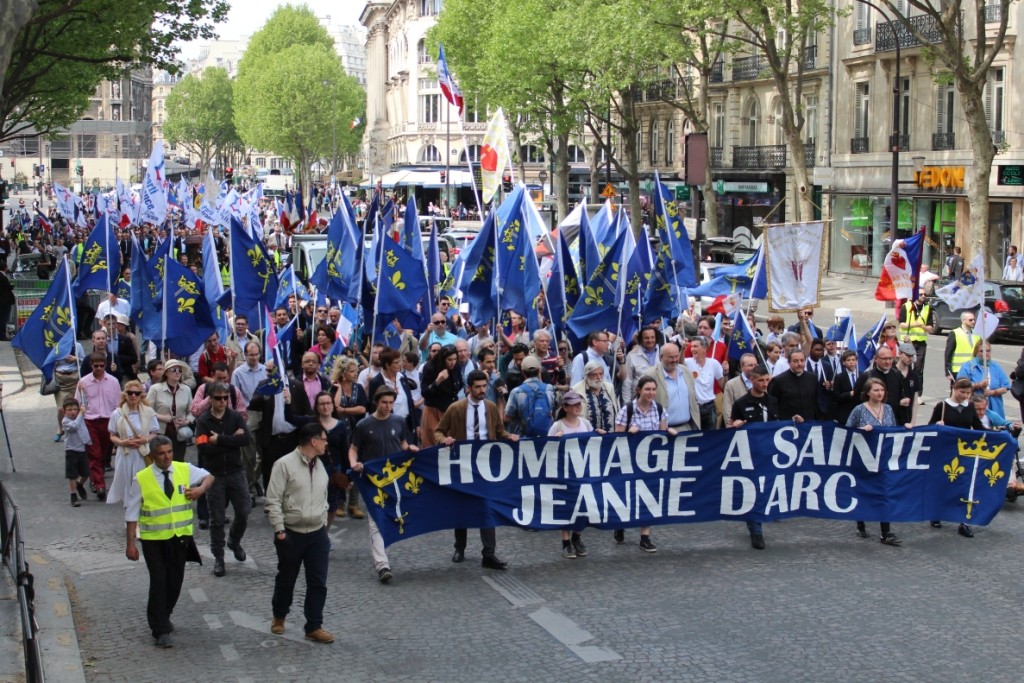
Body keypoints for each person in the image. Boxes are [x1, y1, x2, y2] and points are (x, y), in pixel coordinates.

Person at [124, 436, 213, 648]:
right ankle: (160, 629)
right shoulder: (142, 479)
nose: (167, 457)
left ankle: (164, 614)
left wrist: (201, 489)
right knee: (159, 581)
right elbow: (131, 513)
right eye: (162, 453)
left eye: (169, 452)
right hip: (153, 540)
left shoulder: (183, 469)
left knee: (175, 581)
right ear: (154, 455)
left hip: (179, 537)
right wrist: (130, 544)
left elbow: (209, 477)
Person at [435, 371, 519, 569]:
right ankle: (460, 547)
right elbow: (438, 430)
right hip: (462, 465)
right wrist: (443, 440)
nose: (482, 390)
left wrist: (508, 437)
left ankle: (488, 553)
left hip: (485, 465)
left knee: (487, 507)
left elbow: (499, 431)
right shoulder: (456, 408)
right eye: (478, 387)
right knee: (461, 506)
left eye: (484, 386)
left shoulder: (490, 408)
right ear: (469, 388)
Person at [266, 422, 335, 644]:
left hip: (317, 534)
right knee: (287, 579)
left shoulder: (321, 465)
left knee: (318, 582)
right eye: (324, 439)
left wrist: (323, 523)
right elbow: (273, 500)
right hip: (291, 533)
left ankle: (314, 625)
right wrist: (279, 531)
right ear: (313, 441)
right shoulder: (283, 465)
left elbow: (323, 496)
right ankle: (279, 615)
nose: (326, 443)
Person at [349, 386, 420, 582]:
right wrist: (354, 463)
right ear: (376, 402)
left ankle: (382, 558)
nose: (388, 406)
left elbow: (403, 444)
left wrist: (411, 448)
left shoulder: (399, 421)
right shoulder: (364, 425)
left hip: (397, 480)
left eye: (391, 403)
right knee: (375, 521)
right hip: (374, 480)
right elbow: (353, 449)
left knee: (392, 518)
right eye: (384, 403)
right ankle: (382, 565)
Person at [195, 381, 252, 578]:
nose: (222, 401)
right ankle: (219, 558)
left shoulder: (235, 416)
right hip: (214, 474)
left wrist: (220, 439)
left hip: (236, 471)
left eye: (225, 398)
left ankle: (234, 541)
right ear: (210, 399)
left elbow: (246, 439)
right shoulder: (203, 421)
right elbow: (203, 447)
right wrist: (231, 439)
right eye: (218, 398)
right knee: (217, 518)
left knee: (244, 511)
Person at [614, 376, 673, 552]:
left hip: (651, 462)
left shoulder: (660, 409)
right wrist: (628, 434)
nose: (651, 393)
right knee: (629, 495)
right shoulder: (627, 410)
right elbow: (616, 437)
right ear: (639, 390)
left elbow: (662, 434)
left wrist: (668, 431)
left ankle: (645, 537)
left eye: (653, 389)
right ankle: (620, 523)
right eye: (647, 389)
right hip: (630, 461)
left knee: (649, 497)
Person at [728, 365, 779, 549]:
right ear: (752, 380)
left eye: (767, 380)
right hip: (749, 454)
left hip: (770, 454)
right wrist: (736, 425)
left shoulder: (773, 401)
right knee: (753, 490)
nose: (765, 384)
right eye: (761, 381)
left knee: (767, 489)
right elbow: (730, 427)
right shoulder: (741, 403)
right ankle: (756, 529)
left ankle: (759, 516)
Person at [846, 378, 901, 546]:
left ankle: (886, 532)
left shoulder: (889, 409)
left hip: (884, 458)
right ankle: (861, 522)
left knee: (884, 493)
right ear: (868, 392)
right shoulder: (859, 410)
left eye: (882, 390)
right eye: (876, 390)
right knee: (864, 491)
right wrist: (861, 431)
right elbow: (847, 431)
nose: (879, 393)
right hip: (864, 458)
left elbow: (894, 429)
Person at [928, 378, 983, 538]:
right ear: (954, 389)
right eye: (962, 392)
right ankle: (936, 512)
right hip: (946, 452)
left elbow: (978, 428)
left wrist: (1000, 433)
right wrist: (937, 425)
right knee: (944, 483)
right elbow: (931, 425)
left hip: (964, 453)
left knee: (964, 485)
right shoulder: (942, 406)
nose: (965, 396)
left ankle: (963, 521)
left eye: (968, 393)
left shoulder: (970, 406)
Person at [547, 390, 592, 559]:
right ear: (565, 407)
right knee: (566, 507)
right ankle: (566, 542)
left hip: (582, 473)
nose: (577, 407)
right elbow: (546, 449)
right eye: (573, 405)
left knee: (583, 507)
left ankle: (577, 536)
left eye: (579, 404)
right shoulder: (557, 426)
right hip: (564, 473)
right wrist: (555, 441)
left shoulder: (585, 424)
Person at [106, 380, 160, 507]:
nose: (133, 396)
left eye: (137, 393)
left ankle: (141, 517)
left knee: (141, 484)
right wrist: (123, 442)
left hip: (142, 453)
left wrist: (145, 439)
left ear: (141, 394)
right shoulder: (117, 413)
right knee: (127, 485)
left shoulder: (148, 411)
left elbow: (154, 432)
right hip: (125, 454)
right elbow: (112, 436)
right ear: (125, 394)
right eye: (130, 393)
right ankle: (129, 518)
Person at [76, 353, 122, 500]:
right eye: (96, 366)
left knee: (103, 454)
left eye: (102, 365)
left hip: (108, 420)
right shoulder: (83, 382)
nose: (99, 368)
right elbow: (77, 402)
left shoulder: (113, 381)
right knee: (94, 454)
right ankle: (100, 485)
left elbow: (118, 403)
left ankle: (94, 479)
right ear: (91, 365)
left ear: (105, 364)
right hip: (91, 420)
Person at [644, 342, 701, 432]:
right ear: (661, 357)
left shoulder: (686, 372)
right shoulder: (650, 375)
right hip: (663, 430)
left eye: (676, 356)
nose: (674, 360)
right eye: (670, 357)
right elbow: (643, 404)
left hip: (688, 428)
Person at [146, 359, 194, 462]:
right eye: (174, 369)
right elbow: (146, 410)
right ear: (166, 372)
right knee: (161, 462)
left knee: (178, 462)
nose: (177, 372)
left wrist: (187, 420)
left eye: (180, 370)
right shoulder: (155, 389)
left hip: (179, 433)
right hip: (160, 433)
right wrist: (161, 417)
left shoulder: (186, 390)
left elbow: (192, 411)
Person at [421, 344, 463, 447]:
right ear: (443, 358)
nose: (452, 362)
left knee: (452, 443)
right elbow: (425, 393)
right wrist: (437, 381)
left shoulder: (456, 367)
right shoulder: (430, 367)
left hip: (451, 411)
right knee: (433, 444)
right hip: (434, 411)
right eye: (449, 359)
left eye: (455, 359)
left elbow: (459, 385)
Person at [957, 340, 1011, 419]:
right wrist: (978, 385)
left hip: (994, 408)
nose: (986, 353)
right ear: (976, 352)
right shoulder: (968, 366)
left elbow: (1006, 387)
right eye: (982, 351)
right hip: (975, 408)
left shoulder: (996, 366)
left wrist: (993, 392)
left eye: (988, 351)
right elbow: (960, 385)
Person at [504, 356, 556, 436]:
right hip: (546, 436)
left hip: (524, 438)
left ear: (522, 372)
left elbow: (507, 418)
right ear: (539, 370)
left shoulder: (516, 392)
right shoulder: (549, 388)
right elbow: (552, 410)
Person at [684, 337, 724, 429]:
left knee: (710, 436)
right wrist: (682, 349)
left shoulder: (714, 363)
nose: (692, 349)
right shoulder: (688, 362)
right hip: (693, 407)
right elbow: (680, 362)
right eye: (691, 346)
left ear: (704, 348)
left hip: (710, 407)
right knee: (694, 434)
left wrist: (725, 373)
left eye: (695, 346)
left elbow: (722, 384)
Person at [768, 348, 818, 423]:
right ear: (789, 362)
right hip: (787, 423)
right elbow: (772, 404)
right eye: (795, 361)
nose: (799, 364)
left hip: (809, 423)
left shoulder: (813, 378)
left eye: (802, 360)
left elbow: (816, 401)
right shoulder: (778, 380)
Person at [573, 360, 619, 434]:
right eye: (594, 374)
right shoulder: (576, 390)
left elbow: (617, 410)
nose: (598, 377)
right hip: (588, 438)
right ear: (587, 375)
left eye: (601, 374)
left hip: (610, 436)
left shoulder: (609, 387)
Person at [61, 398, 92, 507]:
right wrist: (80, 414)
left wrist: (81, 389)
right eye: (69, 410)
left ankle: (80, 484)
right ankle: (73, 495)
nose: (73, 412)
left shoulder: (80, 416)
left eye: (75, 409)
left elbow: (86, 402)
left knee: (86, 473)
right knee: (72, 475)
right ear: (65, 411)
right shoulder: (65, 421)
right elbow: (74, 427)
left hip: (82, 449)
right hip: (71, 450)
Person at [944, 311, 978, 386]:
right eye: (970, 320)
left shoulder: (976, 334)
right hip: (958, 370)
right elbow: (948, 354)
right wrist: (948, 371)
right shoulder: (955, 333)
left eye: (974, 320)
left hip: (973, 370)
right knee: (957, 393)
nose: (973, 322)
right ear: (963, 320)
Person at [722, 354, 757, 427]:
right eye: (750, 365)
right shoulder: (731, 384)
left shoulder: (761, 382)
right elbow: (727, 410)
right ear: (742, 367)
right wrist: (730, 427)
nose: (754, 368)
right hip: (739, 428)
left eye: (756, 365)